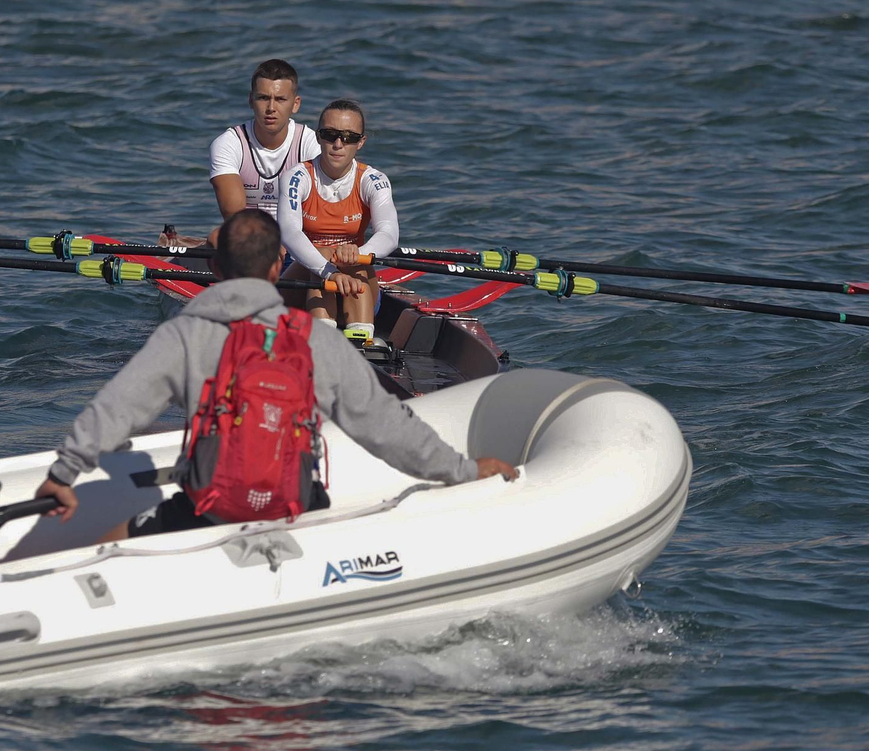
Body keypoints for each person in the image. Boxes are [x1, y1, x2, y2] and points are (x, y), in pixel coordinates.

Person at [37, 209, 516, 539]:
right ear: (274, 269)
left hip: (208, 509)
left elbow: (118, 408)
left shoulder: (187, 334)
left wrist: (63, 474)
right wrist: (463, 470)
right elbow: (386, 425)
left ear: (217, 267)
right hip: (298, 503)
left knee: (112, 543)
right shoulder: (314, 338)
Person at [160, 59, 321, 250]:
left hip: (298, 244)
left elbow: (322, 212)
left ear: (295, 104)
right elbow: (234, 214)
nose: (271, 108)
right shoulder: (228, 144)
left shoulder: (311, 144)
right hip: (249, 241)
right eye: (263, 98)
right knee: (218, 237)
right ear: (251, 100)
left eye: (280, 99)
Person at [276, 99, 395, 338]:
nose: (338, 144)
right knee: (324, 254)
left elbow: (389, 234)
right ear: (319, 137)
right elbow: (289, 232)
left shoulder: (373, 180)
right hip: (301, 286)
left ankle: (359, 343)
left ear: (360, 142)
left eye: (349, 137)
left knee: (353, 262)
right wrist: (328, 271)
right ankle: (325, 340)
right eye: (330, 135)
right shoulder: (297, 177)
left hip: (354, 279)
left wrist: (360, 253)